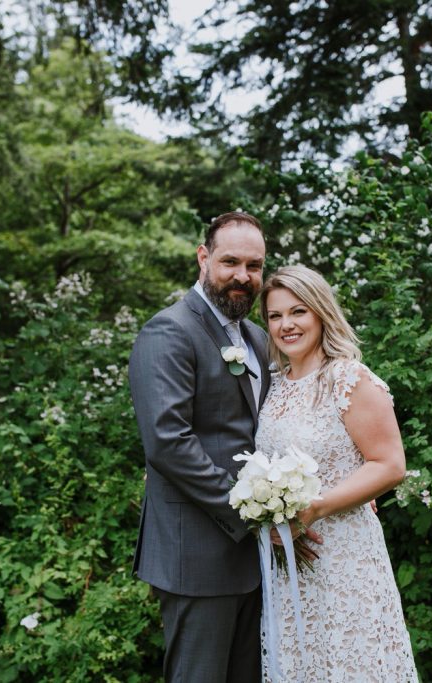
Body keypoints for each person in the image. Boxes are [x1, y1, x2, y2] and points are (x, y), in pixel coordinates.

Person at [129, 212, 320, 682]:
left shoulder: (257, 337)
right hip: (196, 554)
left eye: (254, 265)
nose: (242, 276)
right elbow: (168, 443)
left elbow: (282, 426)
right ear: (203, 258)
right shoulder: (169, 332)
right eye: (230, 261)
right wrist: (254, 515)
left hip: (254, 558)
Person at [257, 265, 420, 681]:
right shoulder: (272, 383)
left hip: (345, 554)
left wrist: (316, 508)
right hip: (287, 560)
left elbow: (389, 464)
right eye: (275, 316)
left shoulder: (348, 378)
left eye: (298, 312)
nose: (286, 325)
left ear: (321, 312)